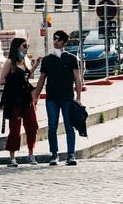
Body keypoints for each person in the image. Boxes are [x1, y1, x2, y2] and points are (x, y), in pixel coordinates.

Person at [33, 30, 83, 166]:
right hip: (52, 98)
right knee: (52, 126)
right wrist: (35, 98)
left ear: (65, 42)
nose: (56, 42)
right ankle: (54, 154)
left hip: (67, 97)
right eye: (54, 39)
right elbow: (41, 80)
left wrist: (78, 97)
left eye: (59, 40)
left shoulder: (71, 59)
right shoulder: (48, 60)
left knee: (69, 126)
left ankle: (71, 154)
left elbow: (77, 78)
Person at [0, 37, 39, 166]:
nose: (26, 48)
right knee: (15, 129)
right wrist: (14, 82)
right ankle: (12, 157)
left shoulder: (25, 61)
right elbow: (2, 80)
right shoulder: (10, 62)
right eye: (24, 46)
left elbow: (27, 76)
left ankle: (30, 154)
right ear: (17, 47)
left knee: (32, 126)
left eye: (27, 46)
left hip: (26, 98)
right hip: (14, 99)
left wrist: (35, 65)